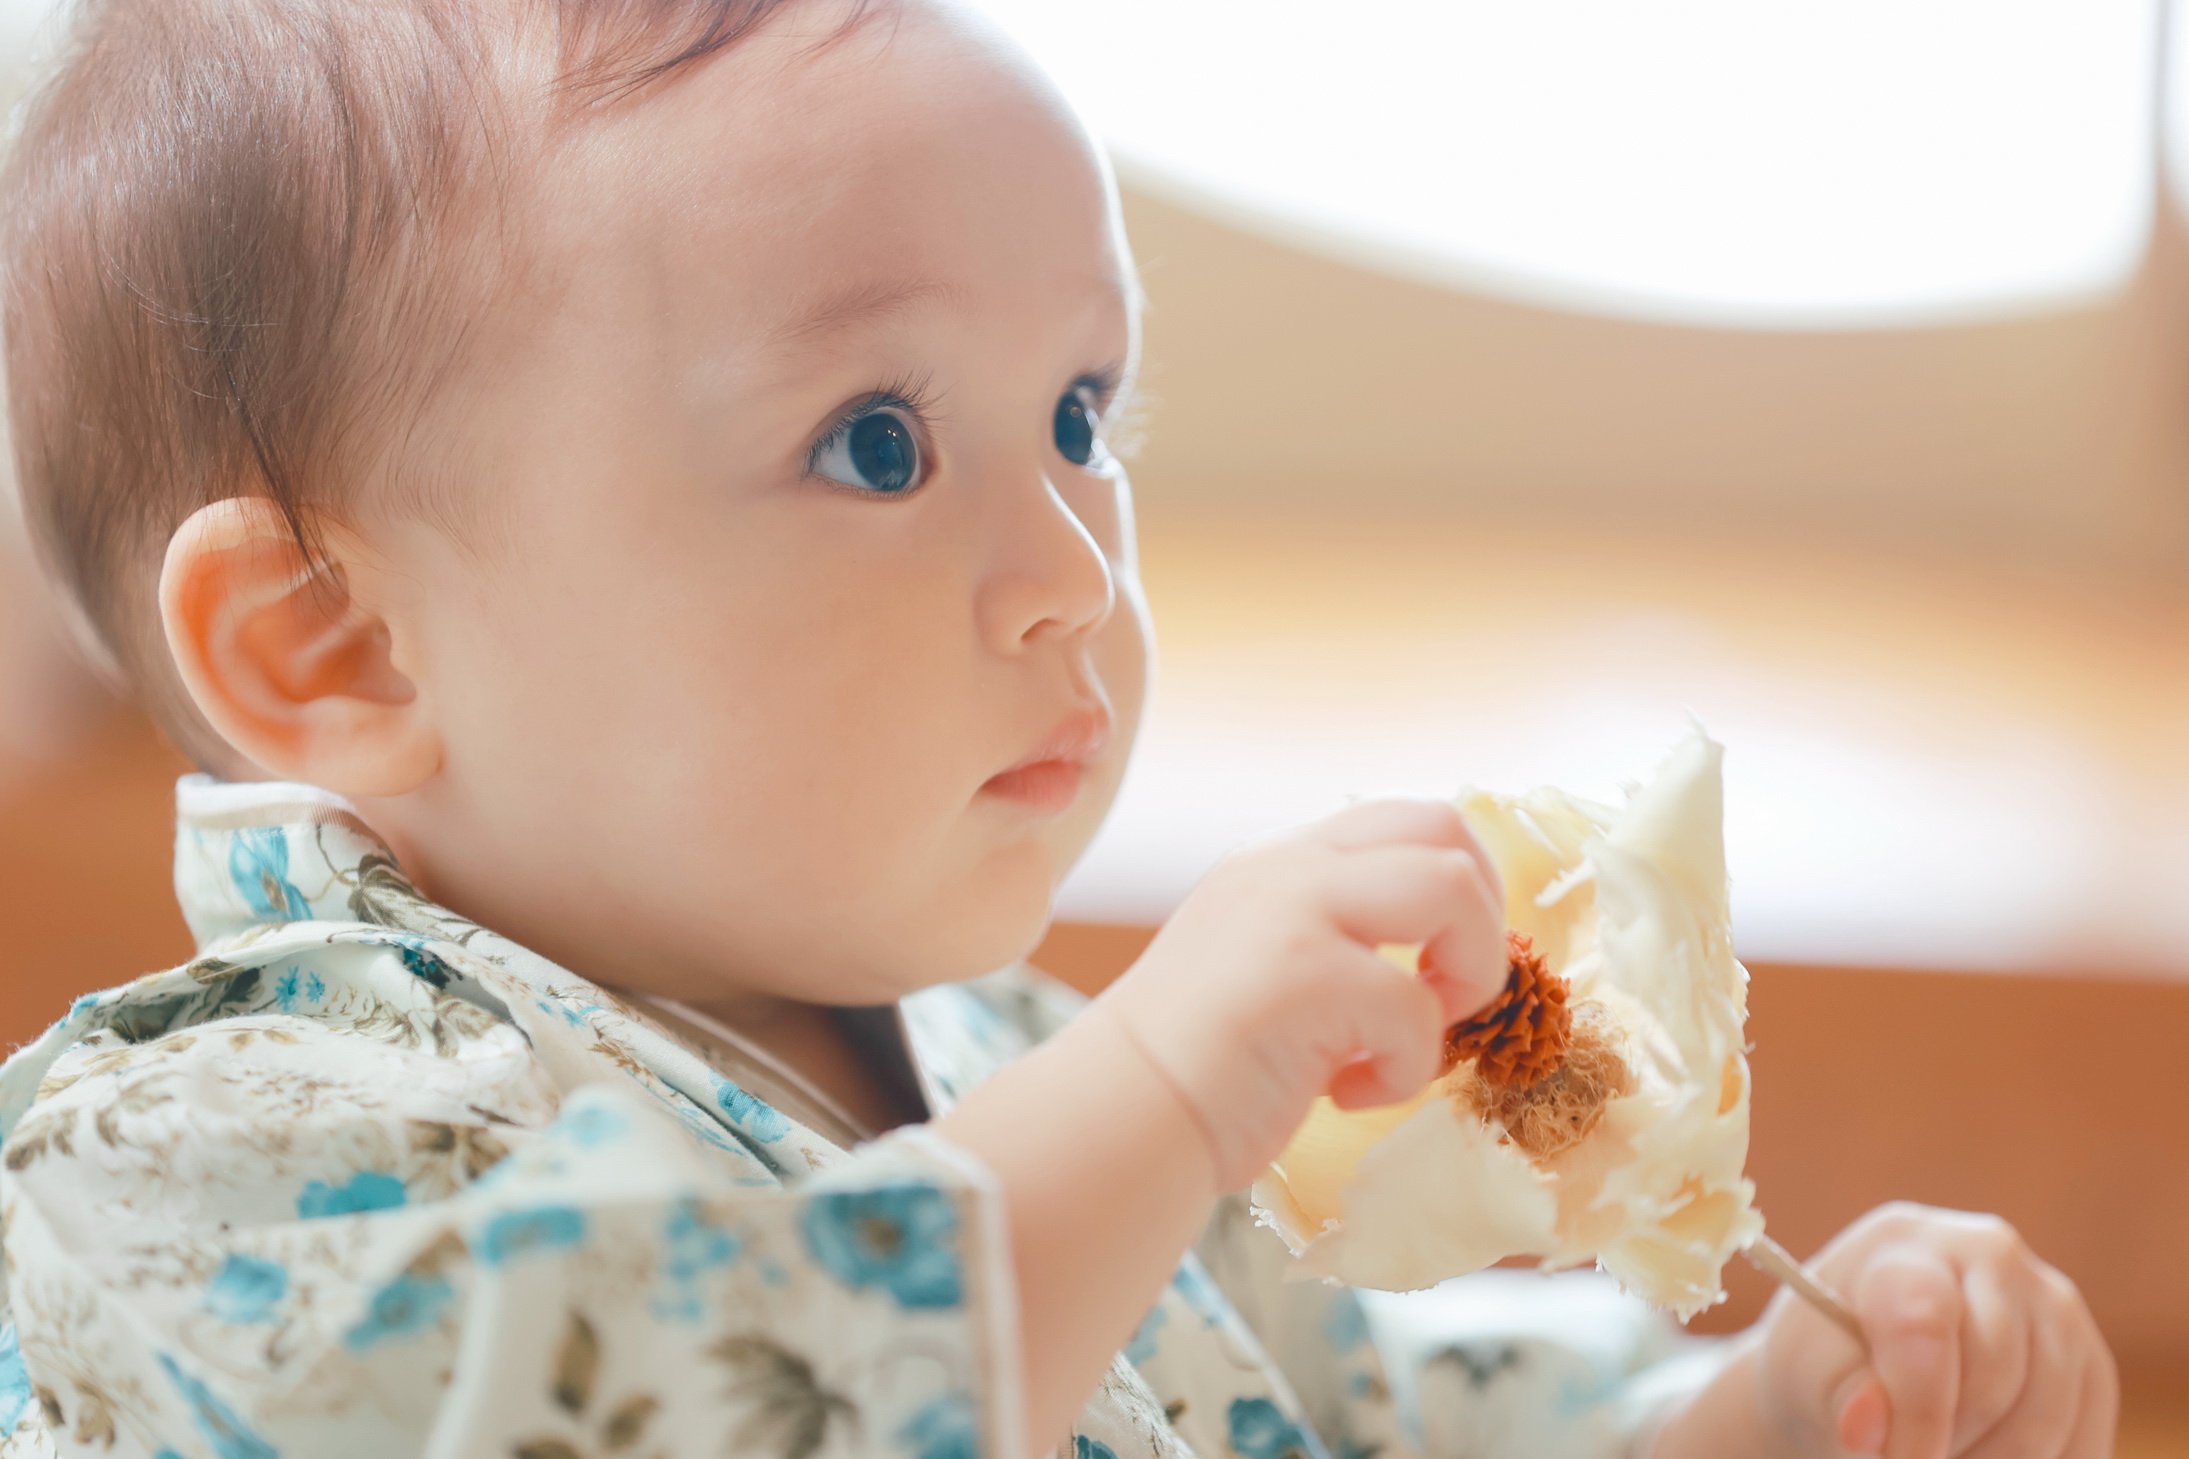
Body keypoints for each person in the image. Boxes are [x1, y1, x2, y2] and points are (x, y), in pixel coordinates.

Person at [0, 1, 2115, 1455]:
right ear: (337, 642)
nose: (1075, 572)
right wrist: (1169, 1082)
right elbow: (688, 1389)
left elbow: (1373, 1408)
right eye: (880, 441)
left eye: (1083, 417)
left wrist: (1752, 1408)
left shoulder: (1000, 1060)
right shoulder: (203, 1154)